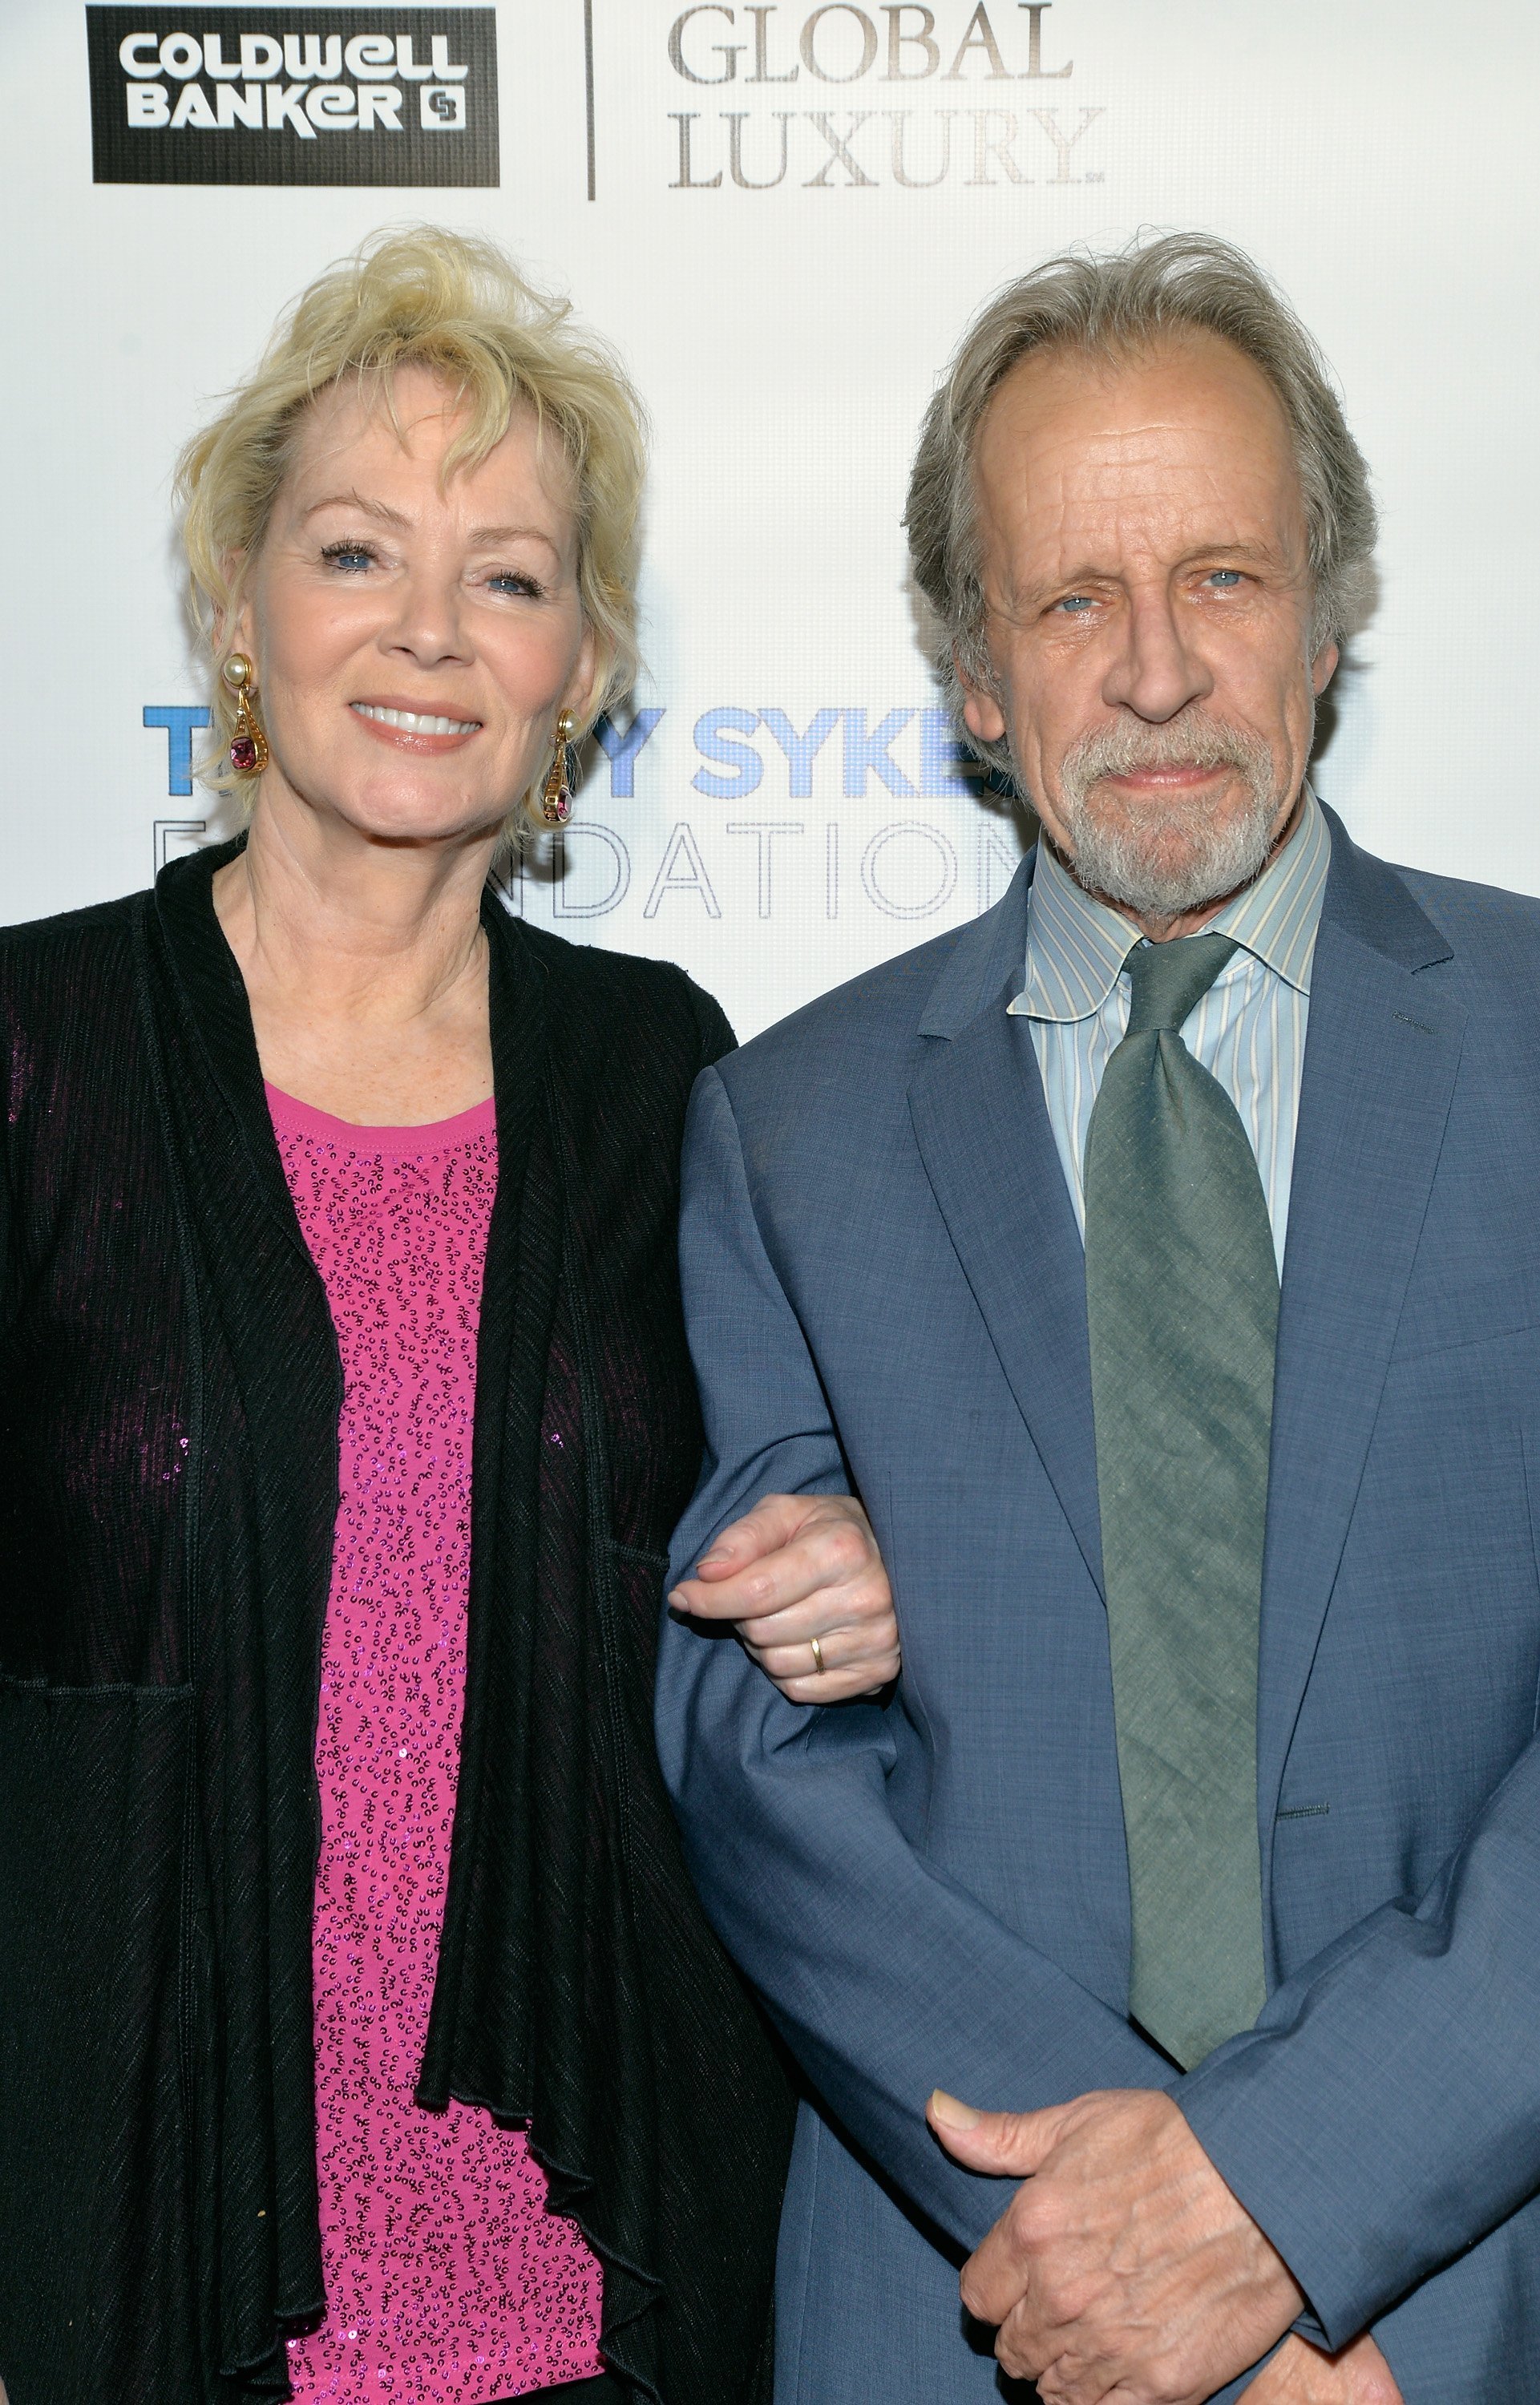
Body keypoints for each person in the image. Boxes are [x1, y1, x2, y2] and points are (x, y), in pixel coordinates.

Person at [0, 227, 900, 2405]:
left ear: (580, 667)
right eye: (353, 552)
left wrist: (870, 1573)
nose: (428, 628)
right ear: (234, 611)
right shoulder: (38, 1049)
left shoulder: (664, 1070)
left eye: (507, 573)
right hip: (126, 2265)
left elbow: (790, 1497)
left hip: (604, 2271)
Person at [657, 230, 1540, 2405]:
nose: (1152, 670)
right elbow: (753, 1756)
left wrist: (1284, 2196)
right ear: (972, 673)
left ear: (1327, 622)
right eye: (1068, 600)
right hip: (970, 2304)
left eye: (1223, 580)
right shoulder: (785, 1129)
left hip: (1469, 2295)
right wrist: (1121, 2247)